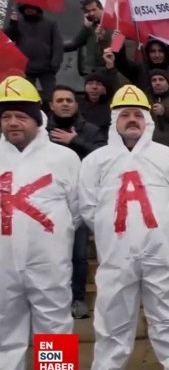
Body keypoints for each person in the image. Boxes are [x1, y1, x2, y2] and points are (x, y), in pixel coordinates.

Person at [80, 85, 169, 370]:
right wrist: (115, 237)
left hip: (155, 253)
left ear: (148, 121)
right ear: (113, 119)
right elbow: (87, 208)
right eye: (124, 114)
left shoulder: (167, 157)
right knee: (109, 321)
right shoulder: (94, 161)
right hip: (112, 256)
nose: (131, 120)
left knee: (167, 315)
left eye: (137, 115)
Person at [0, 76, 80, 370]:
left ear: (37, 118)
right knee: (5, 328)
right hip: (2, 262)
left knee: (55, 324)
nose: (13, 123)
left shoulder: (63, 158)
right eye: (6, 117)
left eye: (21, 116)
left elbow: (78, 209)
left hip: (48, 260)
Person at [47, 85, 106, 319]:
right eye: (59, 100)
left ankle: (76, 299)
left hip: (79, 202)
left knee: (78, 255)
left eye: (69, 100)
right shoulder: (41, 132)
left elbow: (104, 157)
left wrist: (75, 141)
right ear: (50, 105)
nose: (64, 104)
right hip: (45, 204)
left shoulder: (89, 130)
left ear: (76, 104)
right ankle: (55, 299)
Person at [3, 5, 63, 102]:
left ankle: (52, 115)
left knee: (52, 96)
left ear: (37, 8)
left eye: (31, 8)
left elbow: (57, 45)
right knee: (27, 97)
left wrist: (55, 64)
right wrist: (13, 23)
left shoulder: (50, 24)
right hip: (26, 68)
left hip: (46, 68)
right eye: (26, 8)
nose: (29, 10)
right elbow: (8, 37)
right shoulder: (18, 22)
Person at [63, 0, 111, 76]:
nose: (91, 13)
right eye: (88, 11)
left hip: (108, 70)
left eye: (94, 10)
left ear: (101, 8)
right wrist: (86, 27)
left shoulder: (112, 24)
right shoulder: (90, 26)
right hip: (91, 73)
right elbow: (74, 44)